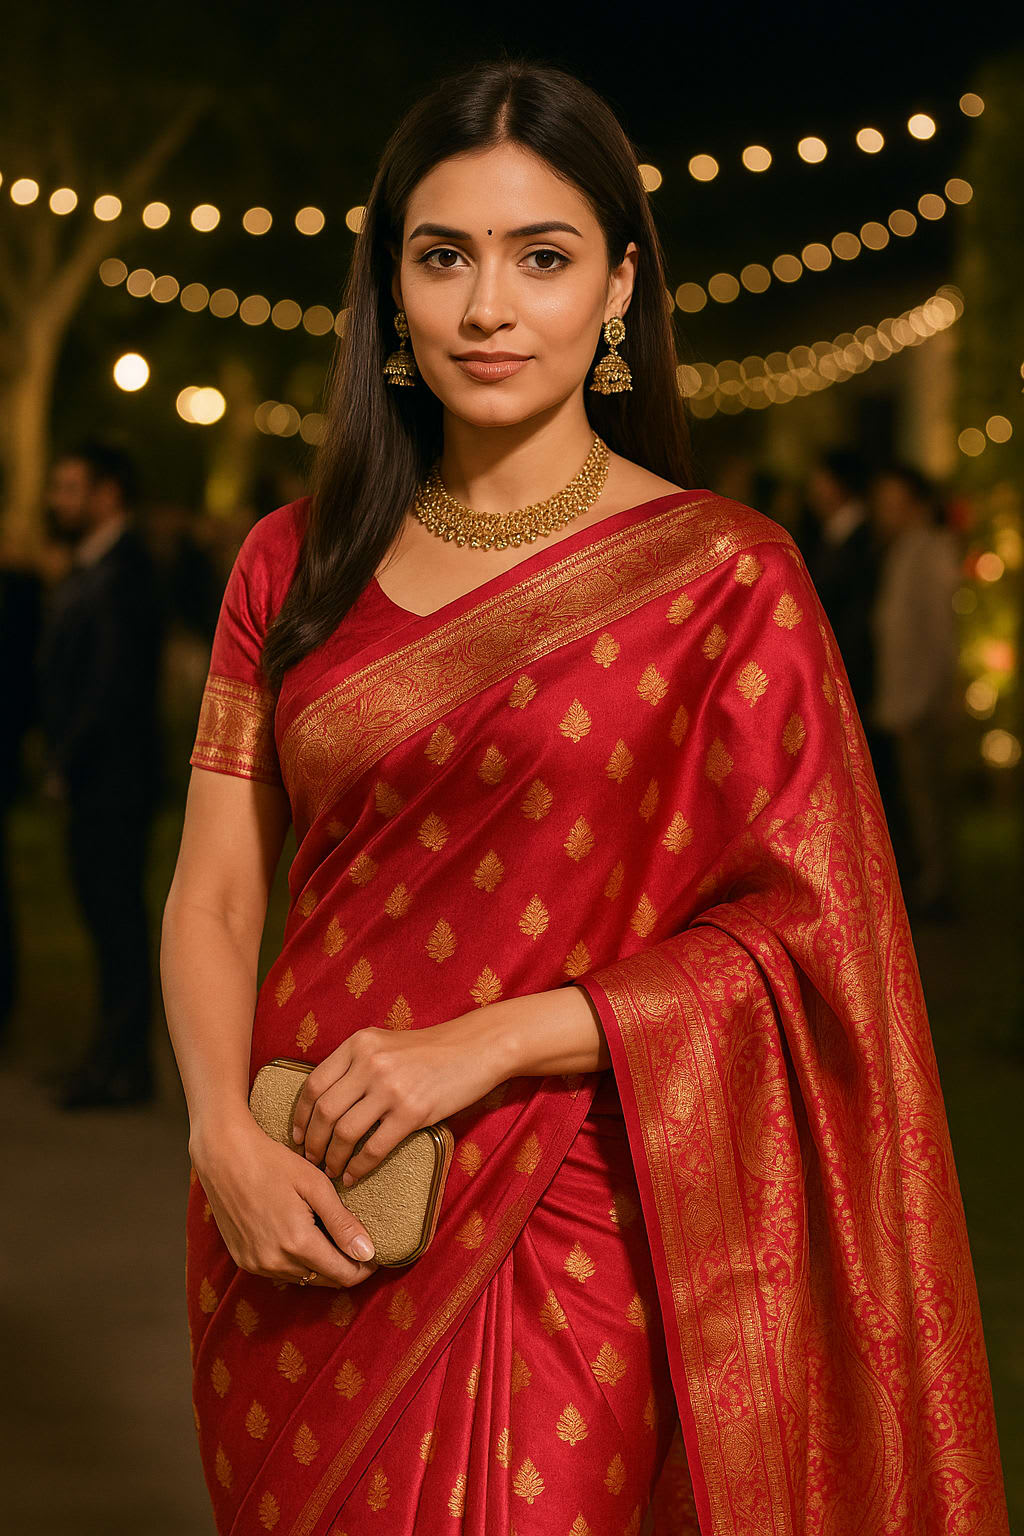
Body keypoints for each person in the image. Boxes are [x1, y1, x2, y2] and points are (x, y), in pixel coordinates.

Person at [161, 58, 1009, 1536]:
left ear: (618, 287)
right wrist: (222, 1143)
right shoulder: (292, 565)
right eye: (445, 257)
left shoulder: (725, 575)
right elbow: (219, 891)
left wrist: (484, 1045)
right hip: (299, 1198)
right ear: (390, 290)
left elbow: (814, 949)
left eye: (541, 259)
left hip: (576, 1204)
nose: (490, 309)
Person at [37, 439, 166, 1108]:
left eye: (70, 487)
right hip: (98, 776)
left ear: (108, 493)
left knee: (115, 916)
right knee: (104, 915)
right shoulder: (95, 566)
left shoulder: (125, 570)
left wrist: (66, 761)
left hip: (112, 780)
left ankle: (121, 1066)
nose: (58, 501)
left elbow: (109, 686)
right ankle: (113, 1058)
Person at [869, 463, 961, 920]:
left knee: (930, 799)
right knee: (915, 796)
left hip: (921, 700)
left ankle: (938, 886)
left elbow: (937, 635)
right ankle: (929, 881)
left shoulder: (930, 550)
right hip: (905, 696)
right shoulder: (904, 549)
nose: (884, 513)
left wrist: (923, 699)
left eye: (893, 504)